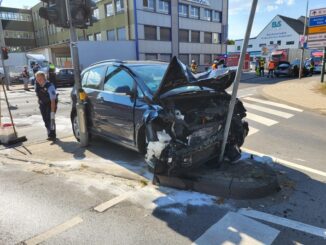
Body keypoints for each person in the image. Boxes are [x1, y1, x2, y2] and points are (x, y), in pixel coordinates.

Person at [35, 71, 57, 141]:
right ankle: (49, 133)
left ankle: (52, 135)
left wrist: (52, 111)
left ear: (44, 78)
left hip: (51, 103)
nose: (39, 80)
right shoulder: (37, 85)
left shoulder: (50, 86)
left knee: (50, 118)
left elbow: (53, 100)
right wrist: (39, 100)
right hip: (43, 104)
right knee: (45, 120)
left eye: (40, 79)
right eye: (37, 79)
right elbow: (38, 94)